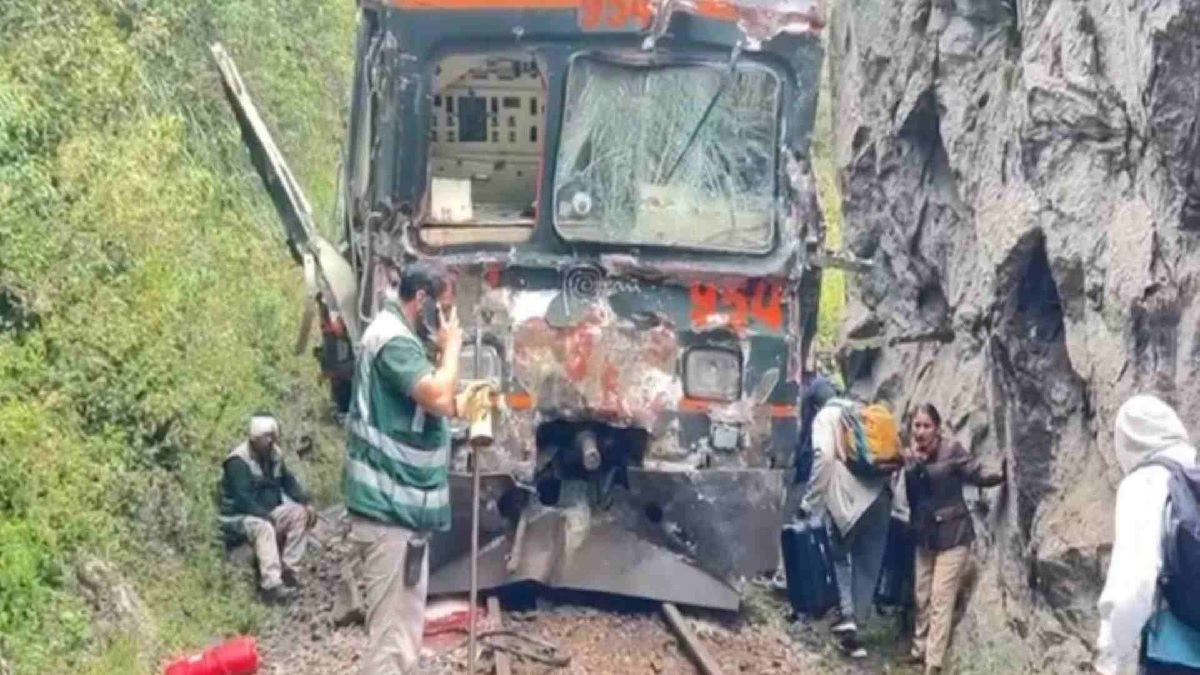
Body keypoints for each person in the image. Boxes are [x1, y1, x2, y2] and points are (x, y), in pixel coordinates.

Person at [343, 262, 472, 675]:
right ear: (422, 300)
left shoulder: (402, 339)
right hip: (388, 511)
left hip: (400, 511)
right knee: (392, 649)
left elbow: (434, 403)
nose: (448, 320)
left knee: (403, 640)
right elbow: (435, 396)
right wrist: (450, 350)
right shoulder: (393, 339)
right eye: (444, 309)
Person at [1096, 394, 1200, 674]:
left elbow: (1134, 584)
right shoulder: (1194, 473)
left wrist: (1111, 656)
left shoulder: (1145, 482)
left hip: (1176, 657)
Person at [902, 403, 1005, 675]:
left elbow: (976, 472)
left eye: (926, 426)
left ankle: (933, 663)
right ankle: (919, 648)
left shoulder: (952, 450)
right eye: (917, 425)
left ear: (937, 428)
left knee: (940, 597)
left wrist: (1000, 474)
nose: (921, 431)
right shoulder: (910, 456)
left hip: (953, 533)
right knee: (921, 594)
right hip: (925, 536)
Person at [800, 394, 894, 659]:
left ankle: (848, 617)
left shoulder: (825, 417)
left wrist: (810, 502)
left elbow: (824, 457)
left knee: (838, 555)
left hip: (851, 500)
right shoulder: (861, 410)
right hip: (881, 496)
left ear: (815, 405)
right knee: (868, 563)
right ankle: (857, 629)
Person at [218, 414, 316, 604]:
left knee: (299, 514)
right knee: (263, 527)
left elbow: (288, 482)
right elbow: (242, 499)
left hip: (266, 512)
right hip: (238, 517)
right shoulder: (238, 462)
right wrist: (265, 516)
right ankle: (271, 585)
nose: (270, 441)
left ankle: (289, 570)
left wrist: (305, 502)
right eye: (266, 437)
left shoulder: (275, 456)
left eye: (272, 436)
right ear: (254, 439)